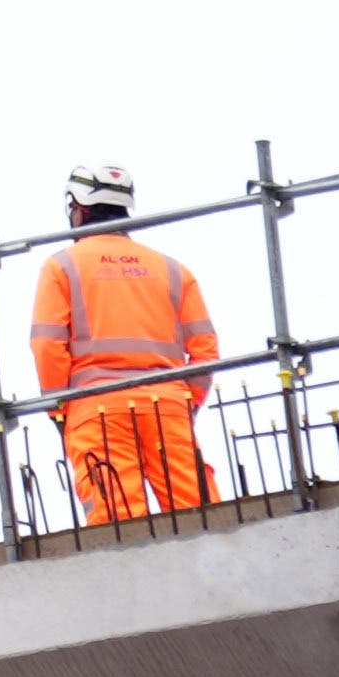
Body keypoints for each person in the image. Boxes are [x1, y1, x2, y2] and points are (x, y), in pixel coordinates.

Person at [33, 164, 224, 522]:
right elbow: (205, 352)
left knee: (119, 527)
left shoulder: (61, 266)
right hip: (166, 405)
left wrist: (60, 407)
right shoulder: (171, 268)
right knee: (202, 518)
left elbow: (47, 346)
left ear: (79, 208)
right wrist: (186, 403)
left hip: (95, 405)